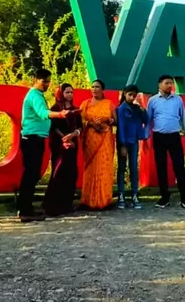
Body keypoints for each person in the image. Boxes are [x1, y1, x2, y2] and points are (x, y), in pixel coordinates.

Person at [17, 68, 72, 221]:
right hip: (32, 139)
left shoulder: (38, 95)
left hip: (36, 138)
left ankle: (25, 207)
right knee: (31, 175)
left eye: (48, 81)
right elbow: (43, 113)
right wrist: (60, 114)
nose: (47, 84)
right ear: (36, 80)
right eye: (44, 81)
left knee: (32, 174)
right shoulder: (35, 95)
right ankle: (25, 211)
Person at [146, 74, 185, 210]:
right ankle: (164, 197)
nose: (170, 85)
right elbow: (148, 121)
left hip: (174, 136)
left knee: (179, 167)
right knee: (161, 167)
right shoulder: (153, 101)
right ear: (159, 85)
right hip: (159, 137)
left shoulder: (178, 99)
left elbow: (184, 118)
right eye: (167, 83)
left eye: (171, 83)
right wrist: (145, 138)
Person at [43, 83, 82, 217]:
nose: (69, 95)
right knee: (58, 172)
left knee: (71, 173)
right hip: (59, 145)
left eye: (71, 92)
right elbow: (53, 127)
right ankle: (53, 204)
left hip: (72, 145)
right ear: (61, 93)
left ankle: (67, 204)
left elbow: (80, 127)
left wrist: (74, 135)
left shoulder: (76, 110)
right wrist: (64, 138)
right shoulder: (55, 109)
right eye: (67, 92)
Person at [79, 80, 117, 210]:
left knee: (103, 167)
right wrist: (90, 124)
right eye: (93, 87)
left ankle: (104, 200)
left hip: (104, 139)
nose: (94, 89)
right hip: (90, 140)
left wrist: (110, 121)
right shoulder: (85, 104)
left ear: (103, 89)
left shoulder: (109, 104)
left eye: (97, 87)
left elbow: (116, 121)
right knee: (90, 168)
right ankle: (87, 200)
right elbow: (80, 122)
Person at [115, 84, 149, 208]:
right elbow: (121, 128)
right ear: (125, 94)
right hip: (124, 142)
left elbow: (146, 120)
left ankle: (134, 194)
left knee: (134, 168)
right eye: (130, 95)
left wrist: (142, 107)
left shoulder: (136, 108)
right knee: (122, 168)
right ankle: (121, 196)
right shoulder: (121, 109)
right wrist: (122, 145)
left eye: (134, 95)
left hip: (134, 141)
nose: (132, 97)